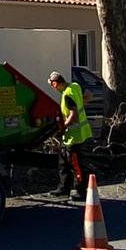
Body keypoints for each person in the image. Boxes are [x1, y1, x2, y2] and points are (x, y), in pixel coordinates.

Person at [49, 70, 93, 200]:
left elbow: (73, 115)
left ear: (56, 83)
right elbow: (88, 96)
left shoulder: (67, 95)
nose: (53, 88)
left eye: (52, 85)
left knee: (75, 164)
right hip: (78, 134)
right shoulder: (75, 86)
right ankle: (64, 188)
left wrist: (62, 128)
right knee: (64, 163)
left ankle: (81, 191)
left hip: (74, 136)